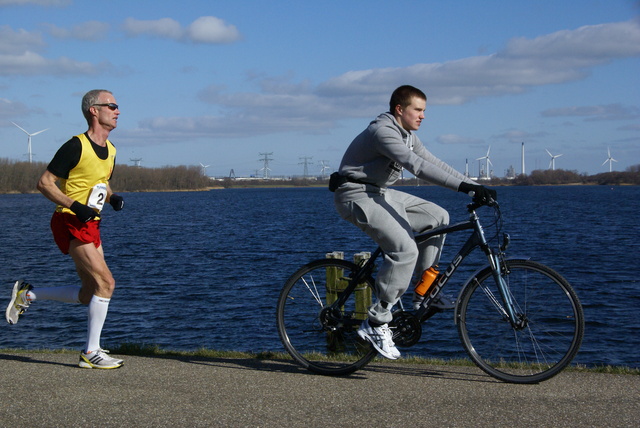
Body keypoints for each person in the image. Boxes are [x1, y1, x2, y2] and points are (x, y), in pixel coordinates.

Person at [331, 85, 496, 360]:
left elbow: (433, 162)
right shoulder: (382, 132)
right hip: (356, 195)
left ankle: (424, 292)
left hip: (379, 192)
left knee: (438, 217)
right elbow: (415, 166)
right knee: (405, 250)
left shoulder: (407, 136)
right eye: (418, 110)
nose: (423, 116)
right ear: (400, 109)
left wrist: (474, 185)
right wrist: (464, 189)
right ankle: (376, 321)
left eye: (424, 111)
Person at [5, 89, 125, 369]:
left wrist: (112, 197)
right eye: (112, 106)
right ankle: (90, 352)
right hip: (69, 220)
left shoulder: (113, 150)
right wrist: (75, 206)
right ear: (94, 110)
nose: (118, 111)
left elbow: (100, 181)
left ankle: (28, 294)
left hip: (91, 223)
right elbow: (45, 183)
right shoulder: (75, 146)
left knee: (89, 292)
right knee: (107, 284)